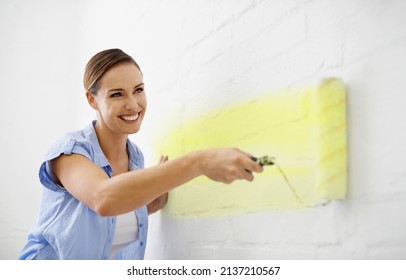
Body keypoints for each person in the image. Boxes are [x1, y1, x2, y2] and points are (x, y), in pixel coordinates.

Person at [19, 48, 263, 260]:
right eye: (117, 94)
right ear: (92, 100)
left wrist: (142, 207)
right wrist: (200, 162)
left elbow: (100, 223)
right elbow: (103, 199)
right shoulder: (69, 151)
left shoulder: (135, 157)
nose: (133, 104)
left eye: (138, 90)